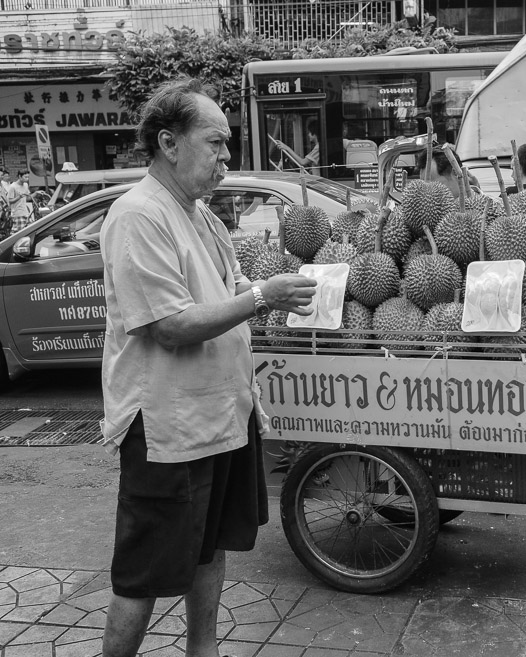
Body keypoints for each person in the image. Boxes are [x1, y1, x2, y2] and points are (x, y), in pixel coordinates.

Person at [99, 77, 317, 657]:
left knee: (210, 546)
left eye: (227, 145)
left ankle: (204, 650)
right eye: (215, 143)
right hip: (168, 429)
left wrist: (279, 293)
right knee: (144, 572)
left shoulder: (203, 217)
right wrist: (263, 298)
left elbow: (233, 290)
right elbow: (167, 326)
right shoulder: (138, 215)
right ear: (169, 143)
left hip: (222, 416)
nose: (226, 157)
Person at [416, 145, 481, 198]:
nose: (426, 194)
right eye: (424, 188)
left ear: (456, 173)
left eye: (432, 186)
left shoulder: (483, 206)